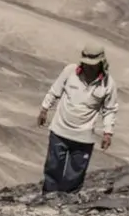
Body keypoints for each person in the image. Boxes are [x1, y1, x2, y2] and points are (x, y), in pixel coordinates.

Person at [36, 43, 119, 193]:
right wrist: (44, 109)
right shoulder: (70, 72)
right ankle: (47, 198)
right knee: (53, 169)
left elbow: (109, 110)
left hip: (83, 137)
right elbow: (55, 91)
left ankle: (68, 201)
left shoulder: (108, 84)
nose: (89, 67)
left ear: (101, 62)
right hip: (59, 131)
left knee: (74, 176)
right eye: (86, 63)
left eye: (93, 64)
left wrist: (108, 133)